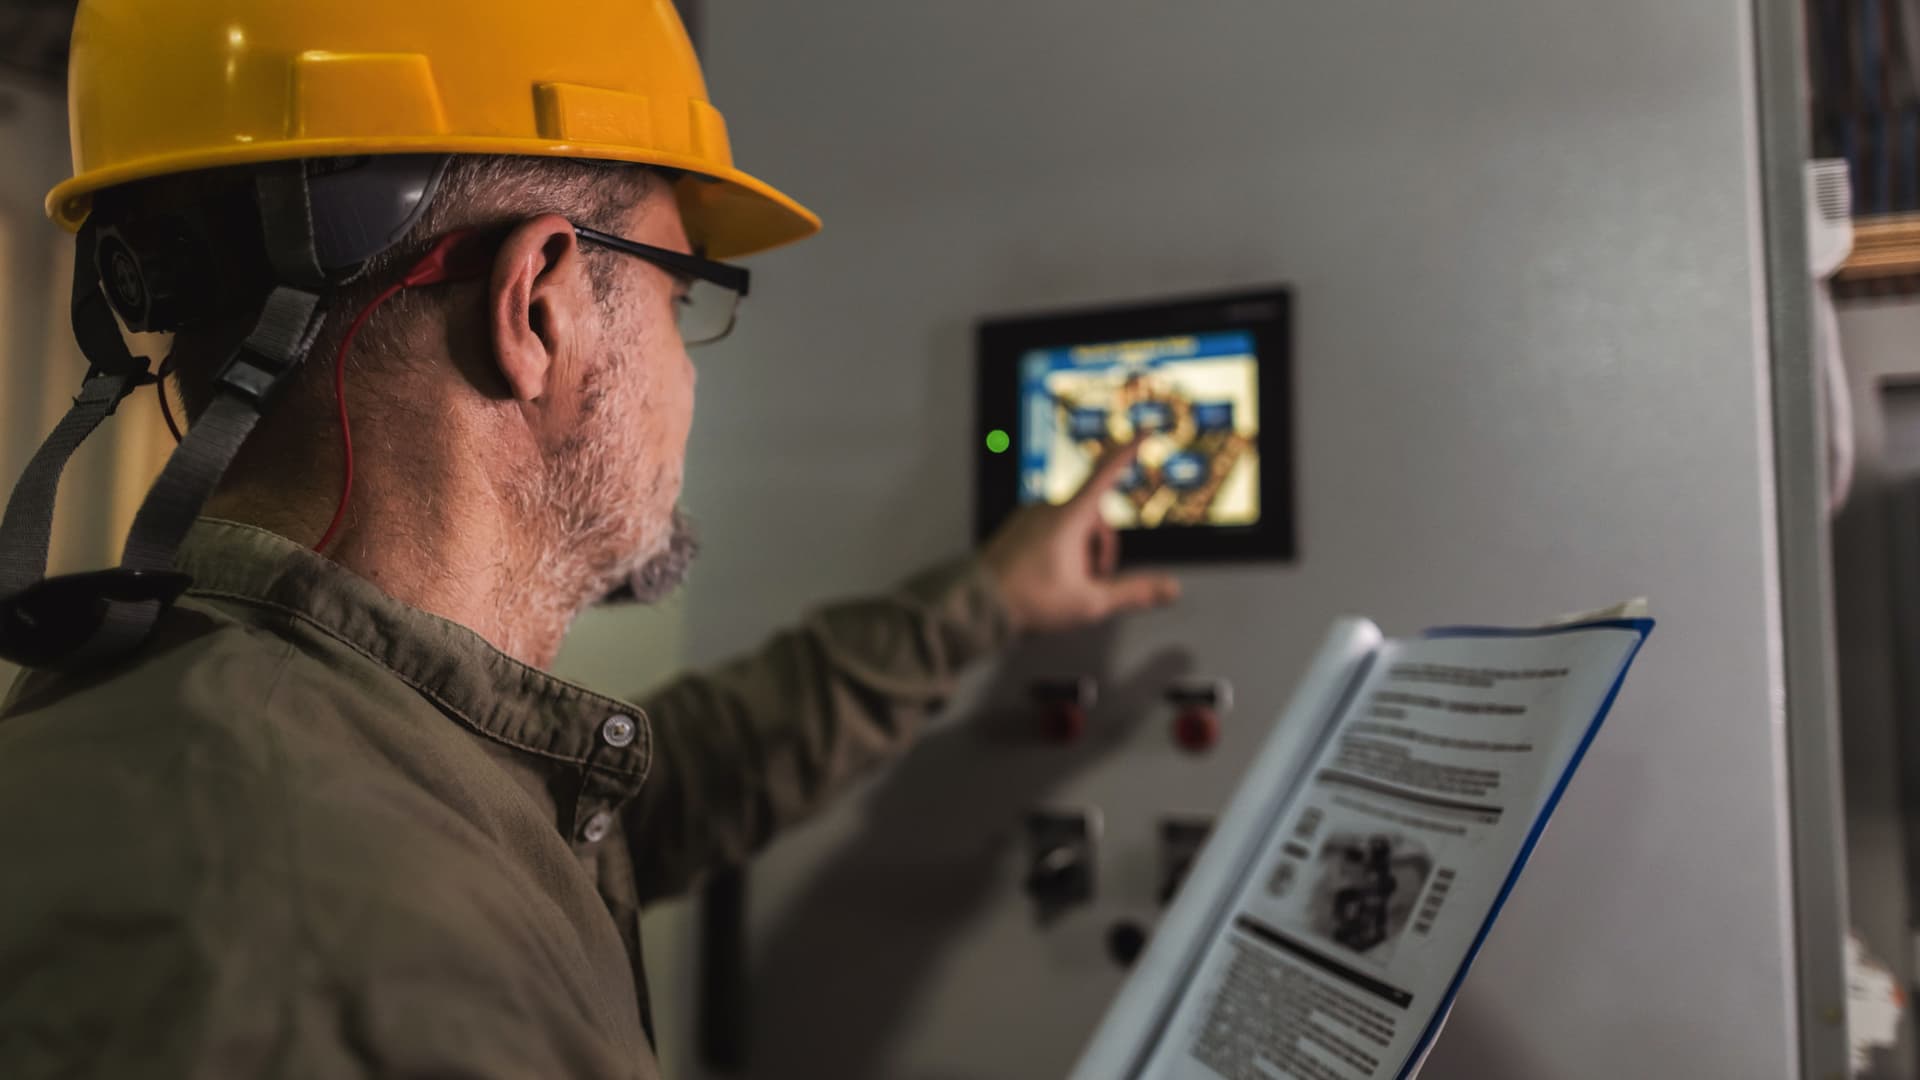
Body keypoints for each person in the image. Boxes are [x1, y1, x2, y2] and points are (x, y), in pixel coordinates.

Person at [0, 1, 1180, 1076]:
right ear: (541, 307)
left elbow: (643, 799)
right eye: (681, 300)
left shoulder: (186, 714)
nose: (689, 374)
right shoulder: (365, 967)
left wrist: (988, 600)